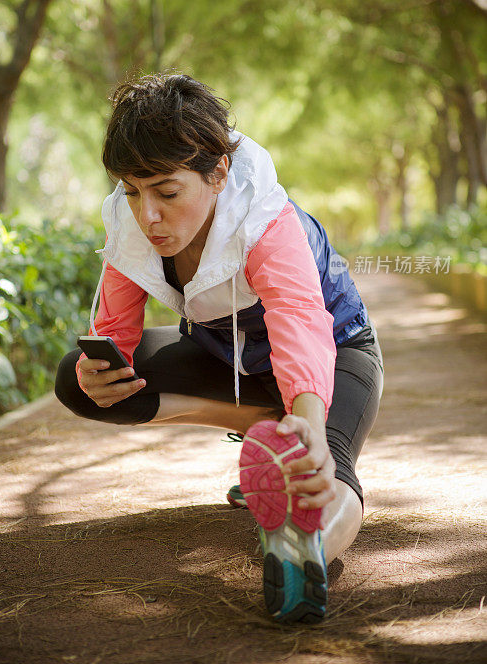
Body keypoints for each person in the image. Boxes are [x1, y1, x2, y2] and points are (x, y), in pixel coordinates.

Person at [54, 72, 384, 624]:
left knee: (324, 462)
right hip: (228, 361)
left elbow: (300, 320)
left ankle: (306, 548)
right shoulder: (134, 223)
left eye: (166, 191)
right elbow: (115, 327)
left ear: (218, 173)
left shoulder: (267, 224)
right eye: (132, 191)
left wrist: (307, 419)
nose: (148, 215)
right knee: (77, 380)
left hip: (337, 354)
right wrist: (102, 365)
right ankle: (263, 425)